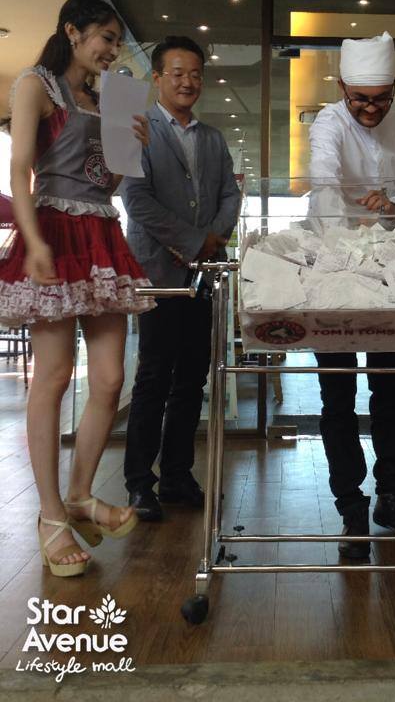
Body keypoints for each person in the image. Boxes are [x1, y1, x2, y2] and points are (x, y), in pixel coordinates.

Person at [0, 0, 155, 577]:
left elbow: (104, 182)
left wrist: (130, 145)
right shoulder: (34, 84)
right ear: (73, 30)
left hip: (101, 231)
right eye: (106, 38)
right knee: (55, 374)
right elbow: (21, 168)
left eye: (116, 42)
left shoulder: (104, 97)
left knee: (111, 378)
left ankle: (80, 495)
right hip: (55, 229)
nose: (113, 50)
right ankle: (49, 516)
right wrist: (34, 240)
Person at [309, 31, 395, 559]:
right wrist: (350, 237)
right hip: (334, 266)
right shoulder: (328, 123)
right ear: (342, 88)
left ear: (394, 88)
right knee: (337, 395)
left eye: (381, 98)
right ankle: (350, 505)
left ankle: (392, 496)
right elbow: (323, 183)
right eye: (360, 98)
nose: (371, 108)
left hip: (389, 269)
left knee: (390, 388)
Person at [121, 36, 240, 521]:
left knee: (193, 377)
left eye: (195, 74)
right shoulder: (136, 128)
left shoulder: (212, 138)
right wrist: (194, 242)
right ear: (157, 78)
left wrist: (212, 240)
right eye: (177, 73)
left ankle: (176, 475)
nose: (188, 82)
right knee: (153, 376)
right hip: (158, 274)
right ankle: (138, 483)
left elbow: (231, 195)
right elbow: (136, 200)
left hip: (204, 277)